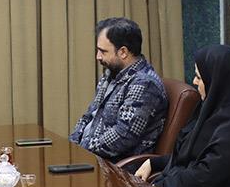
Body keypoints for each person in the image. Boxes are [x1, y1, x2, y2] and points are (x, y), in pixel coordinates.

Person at [137, 44, 230, 187]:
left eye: (199, 77)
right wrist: (154, 163)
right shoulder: (213, 109)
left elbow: (204, 179)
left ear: (217, 80)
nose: (194, 82)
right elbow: (191, 156)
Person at [70, 17, 168, 162]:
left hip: (115, 167)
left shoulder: (145, 84)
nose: (98, 57)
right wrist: (71, 146)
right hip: (90, 157)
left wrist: (82, 150)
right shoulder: (111, 74)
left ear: (123, 52)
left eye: (103, 51)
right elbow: (90, 115)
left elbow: (123, 136)